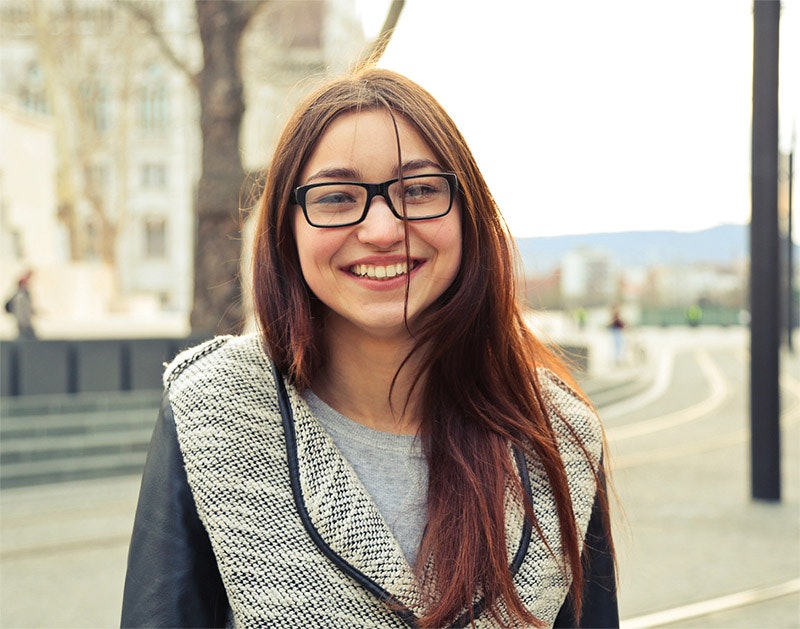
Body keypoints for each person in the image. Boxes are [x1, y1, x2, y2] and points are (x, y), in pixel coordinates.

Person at [121, 66, 618, 628]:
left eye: (420, 190)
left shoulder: (557, 434)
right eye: (336, 197)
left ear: (468, 213)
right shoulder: (213, 411)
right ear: (287, 228)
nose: (382, 229)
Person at [6, 271, 36, 340]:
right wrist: (24, 323)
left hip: (24, 324)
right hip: (24, 324)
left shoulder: (24, 295)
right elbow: (21, 311)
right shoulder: (21, 297)